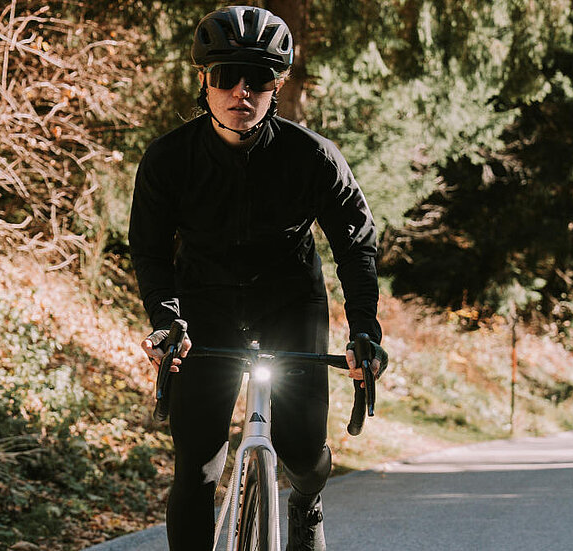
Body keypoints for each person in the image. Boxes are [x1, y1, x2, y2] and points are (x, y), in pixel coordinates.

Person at [128, 6, 388, 551]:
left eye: (259, 78)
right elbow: (149, 252)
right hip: (204, 306)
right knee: (197, 469)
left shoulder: (313, 158)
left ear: (278, 85)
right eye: (226, 75)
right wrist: (166, 319)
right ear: (204, 80)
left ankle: (308, 501)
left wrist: (365, 330)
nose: (241, 91)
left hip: (290, 302)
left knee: (302, 452)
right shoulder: (169, 160)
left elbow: (355, 245)